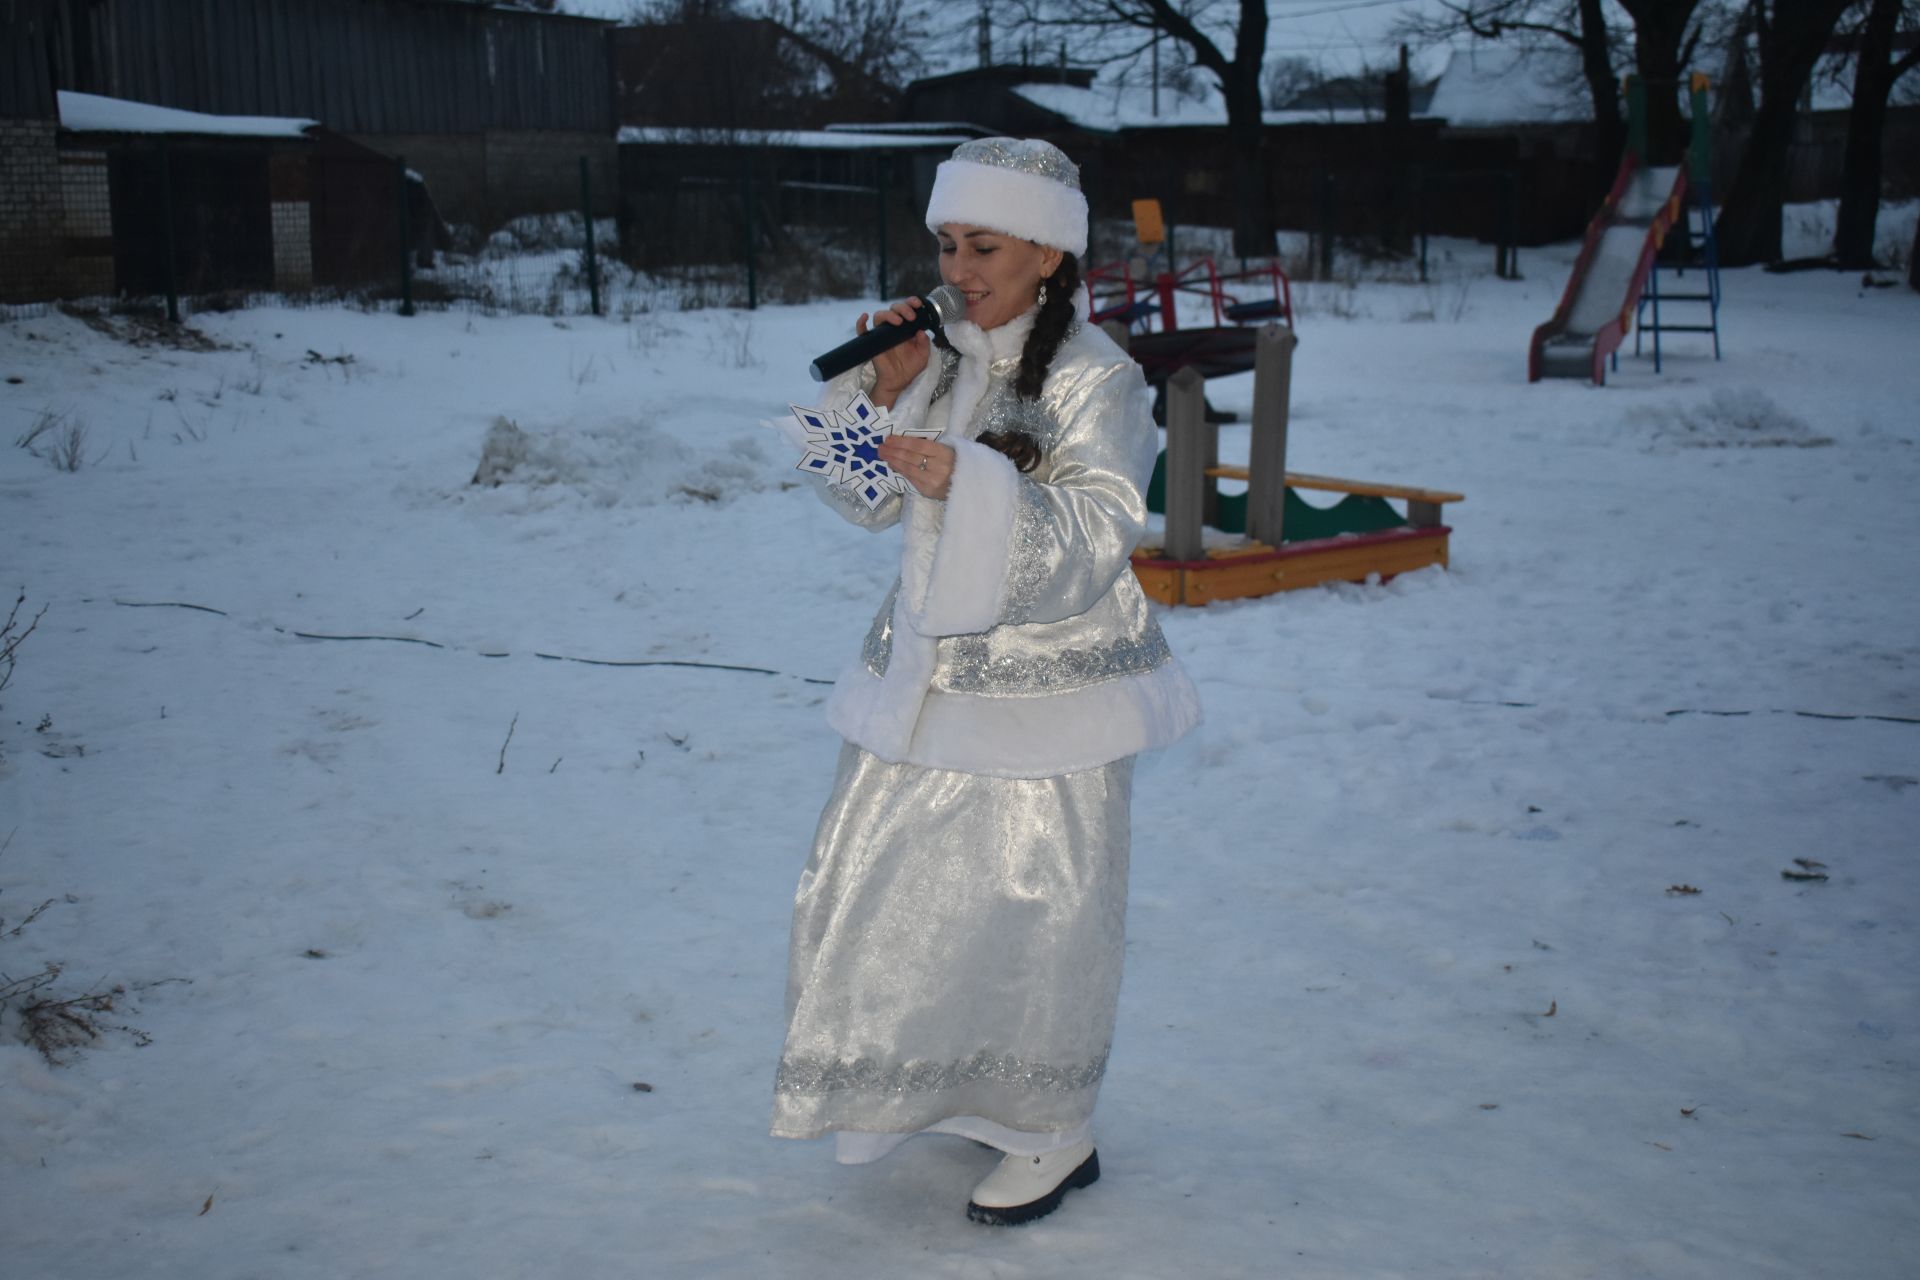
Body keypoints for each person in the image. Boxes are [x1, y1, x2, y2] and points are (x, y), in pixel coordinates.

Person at [771, 137, 1201, 1226]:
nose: (960, 267)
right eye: (949, 242)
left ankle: (1054, 1127)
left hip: (1047, 697)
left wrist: (975, 482)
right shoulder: (944, 349)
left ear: (1049, 253)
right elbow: (870, 502)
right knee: (894, 890)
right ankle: (955, 1083)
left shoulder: (1099, 373)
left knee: (1036, 907)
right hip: (923, 681)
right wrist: (886, 391)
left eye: (986, 245)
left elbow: (1103, 530)